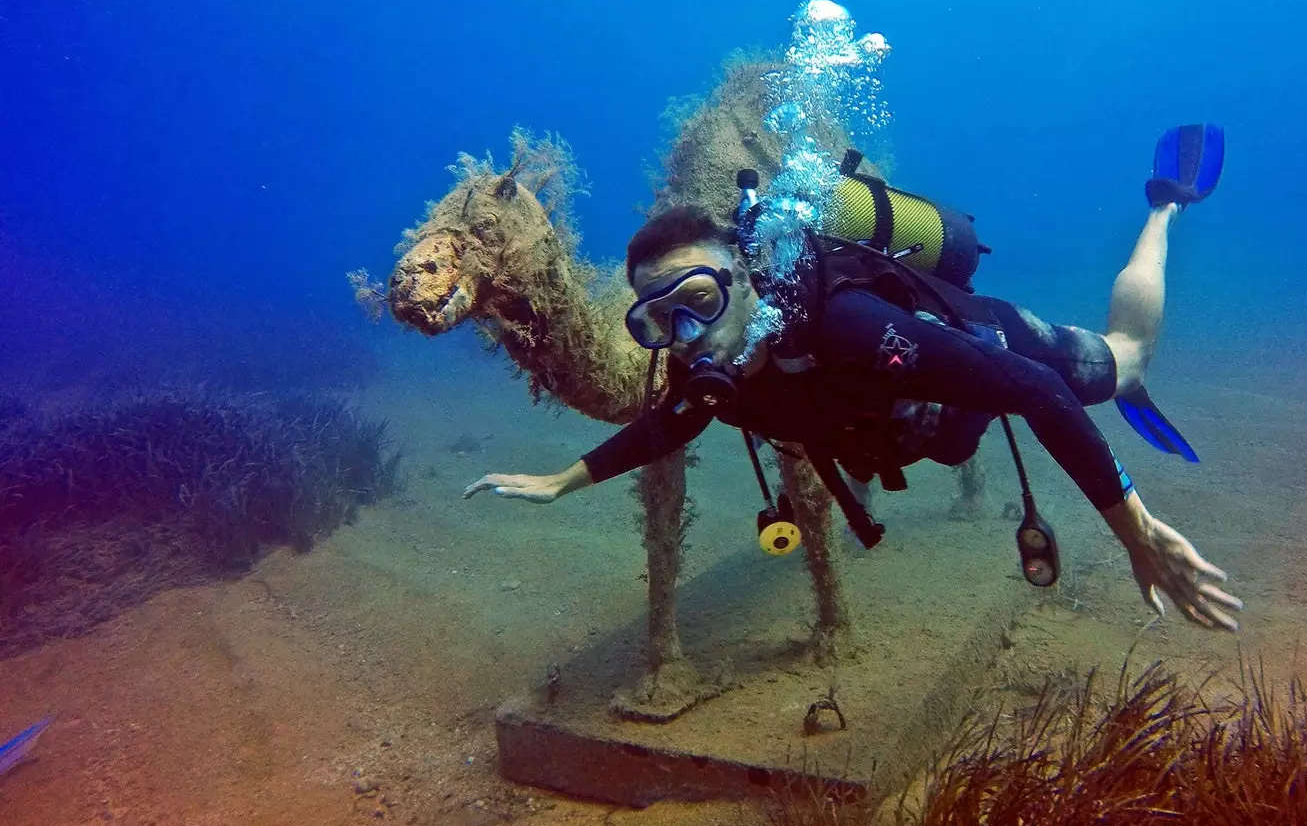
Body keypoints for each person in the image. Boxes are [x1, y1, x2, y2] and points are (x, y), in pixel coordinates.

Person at [466, 125, 1243, 631]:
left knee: (1128, 355)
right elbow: (670, 424)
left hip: (990, 344)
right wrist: (563, 480)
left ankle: (1167, 207)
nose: (687, 338)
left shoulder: (848, 328)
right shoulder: (714, 375)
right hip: (922, 429)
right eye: (657, 323)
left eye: (698, 302)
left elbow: (1033, 393)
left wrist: (1135, 532)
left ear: (743, 275)